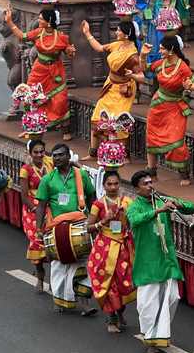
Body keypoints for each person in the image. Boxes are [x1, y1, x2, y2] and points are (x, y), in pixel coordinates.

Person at [127, 168, 194, 353]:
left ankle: (159, 334)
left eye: (151, 183)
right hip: (147, 262)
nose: (150, 186)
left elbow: (192, 207)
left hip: (166, 260)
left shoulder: (162, 200)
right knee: (147, 304)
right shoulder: (135, 206)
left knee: (172, 298)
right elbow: (135, 221)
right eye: (145, 184)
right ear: (137, 189)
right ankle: (151, 338)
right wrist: (158, 211)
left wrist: (178, 204)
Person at [35, 143, 98, 313]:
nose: (56, 158)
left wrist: (94, 221)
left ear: (68, 157)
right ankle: (61, 300)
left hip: (79, 225)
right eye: (54, 156)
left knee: (85, 264)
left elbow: (92, 197)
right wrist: (39, 229)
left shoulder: (81, 175)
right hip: (58, 229)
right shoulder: (47, 180)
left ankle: (84, 303)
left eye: (60, 155)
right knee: (59, 265)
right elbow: (41, 205)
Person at [1, 8, 75, 139]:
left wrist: (71, 51)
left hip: (55, 72)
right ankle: (31, 127)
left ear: (49, 21)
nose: (39, 20)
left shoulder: (61, 37)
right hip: (38, 70)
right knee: (30, 98)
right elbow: (22, 36)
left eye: (41, 18)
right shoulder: (38, 33)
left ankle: (65, 130)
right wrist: (10, 22)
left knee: (59, 100)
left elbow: (69, 52)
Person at [134, 35, 194, 183]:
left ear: (171, 50)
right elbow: (145, 69)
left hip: (175, 107)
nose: (160, 50)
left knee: (176, 141)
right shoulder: (161, 63)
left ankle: (184, 174)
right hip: (158, 105)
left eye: (162, 48)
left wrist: (190, 87)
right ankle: (152, 172)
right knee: (152, 138)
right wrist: (143, 55)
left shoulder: (182, 67)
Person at [80, 19, 140, 160]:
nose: (116, 32)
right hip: (110, 86)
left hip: (124, 90)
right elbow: (100, 48)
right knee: (97, 116)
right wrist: (88, 33)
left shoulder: (132, 54)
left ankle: (123, 155)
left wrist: (132, 75)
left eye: (119, 30)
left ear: (126, 34)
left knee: (120, 121)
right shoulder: (117, 45)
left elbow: (141, 75)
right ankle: (93, 153)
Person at [86, 170, 136, 333]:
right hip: (105, 249)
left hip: (123, 248)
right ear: (104, 185)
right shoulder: (98, 205)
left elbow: (135, 222)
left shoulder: (128, 202)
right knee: (108, 283)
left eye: (116, 183)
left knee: (124, 283)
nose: (113, 187)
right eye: (109, 184)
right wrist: (103, 221)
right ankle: (112, 317)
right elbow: (89, 228)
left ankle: (120, 311)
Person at [19, 138, 53, 292]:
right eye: (36, 152)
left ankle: (55, 279)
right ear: (30, 153)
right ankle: (40, 275)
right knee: (36, 242)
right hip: (33, 209)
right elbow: (24, 196)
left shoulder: (50, 165)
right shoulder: (26, 169)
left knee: (53, 243)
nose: (39, 155)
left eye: (42, 152)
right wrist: (36, 209)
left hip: (50, 206)